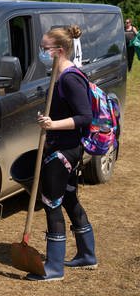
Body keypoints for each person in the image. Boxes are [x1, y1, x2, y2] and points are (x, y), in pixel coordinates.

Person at [26, 25, 97, 281]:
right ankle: (87, 255)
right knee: (68, 199)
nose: (42, 53)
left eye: (45, 49)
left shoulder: (70, 78)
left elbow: (84, 116)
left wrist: (53, 125)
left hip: (66, 150)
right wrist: (49, 119)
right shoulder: (57, 75)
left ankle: (54, 267)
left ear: (60, 50)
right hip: (59, 145)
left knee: (51, 202)